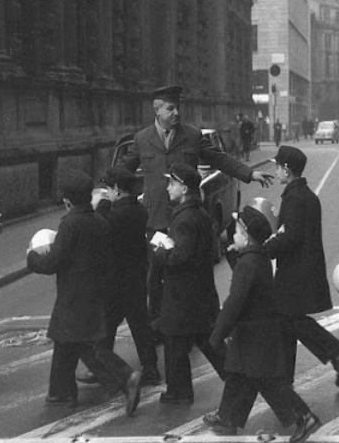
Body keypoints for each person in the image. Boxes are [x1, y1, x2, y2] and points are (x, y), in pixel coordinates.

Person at [121, 86, 273, 331]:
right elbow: (123, 168)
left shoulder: (192, 136)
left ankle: (207, 321)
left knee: (195, 273)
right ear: (157, 110)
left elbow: (220, 159)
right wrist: (102, 192)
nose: (176, 112)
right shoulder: (142, 139)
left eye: (177, 107)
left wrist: (249, 173)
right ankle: (157, 324)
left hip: (186, 219)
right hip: (157, 218)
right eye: (170, 108)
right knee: (155, 277)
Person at [26, 169, 142, 415]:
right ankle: (61, 394)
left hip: (73, 294)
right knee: (68, 342)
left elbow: (55, 261)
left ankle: (124, 377)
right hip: (95, 291)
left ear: (66, 200)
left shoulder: (70, 224)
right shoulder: (99, 221)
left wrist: (32, 259)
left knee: (78, 343)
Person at [204, 205, 321, 442]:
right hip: (258, 334)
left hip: (254, 336)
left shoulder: (248, 264)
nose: (232, 236)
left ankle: (305, 416)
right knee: (238, 375)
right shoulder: (257, 258)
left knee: (269, 383)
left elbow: (234, 303)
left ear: (245, 237)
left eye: (236, 232)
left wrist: (217, 335)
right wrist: (233, 254)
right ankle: (227, 418)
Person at [264, 146, 339, 387]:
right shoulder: (306, 195)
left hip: (295, 273)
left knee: (289, 320)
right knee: (287, 322)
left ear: (286, 169)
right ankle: (330, 354)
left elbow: (290, 237)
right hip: (303, 270)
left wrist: (264, 249)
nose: (275, 170)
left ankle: (335, 351)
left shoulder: (295, 198)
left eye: (277, 166)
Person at [151, 163, 225, 404]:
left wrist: (160, 252)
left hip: (182, 294)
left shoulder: (184, 218)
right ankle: (235, 377)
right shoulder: (200, 213)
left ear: (183, 188)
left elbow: (180, 256)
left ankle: (179, 392)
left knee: (175, 341)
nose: (168, 187)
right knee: (204, 340)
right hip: (199, 292)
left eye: (171, 183)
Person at [91, 166, 160, 386]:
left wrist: (101, 206)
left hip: (116, 280)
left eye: (109, 189)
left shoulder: (114, 215)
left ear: (118, 190)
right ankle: (150, 369)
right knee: (140, 326)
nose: (107, 193)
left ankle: (105, 368)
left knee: (107, 327)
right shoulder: (139, 210)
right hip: (136, 277)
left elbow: (100, 229)